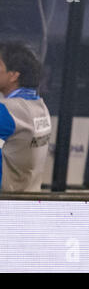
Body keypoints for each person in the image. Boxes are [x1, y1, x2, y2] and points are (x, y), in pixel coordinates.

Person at [0, 42, 51, 192]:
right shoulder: (40, 106)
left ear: (13, 75)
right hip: (30, 201)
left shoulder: (8, 111)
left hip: (7, 205)